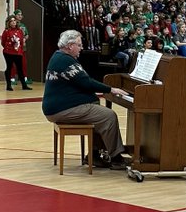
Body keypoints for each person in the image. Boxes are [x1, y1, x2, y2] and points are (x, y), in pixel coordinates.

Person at [42, 30, 131, 169]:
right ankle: (116, 158)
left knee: (96, 108)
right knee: (109, 116)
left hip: (57, 107)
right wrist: (111, 89)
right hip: (59, 110)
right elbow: (86, 82)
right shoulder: (65, 61)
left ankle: (94, 155)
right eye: (79, 44)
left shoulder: (59, 56)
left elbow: (82, 83)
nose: (81, 48)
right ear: (70, 46)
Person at [1, 16, 30, 91]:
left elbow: (21, 41)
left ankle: (24, 85)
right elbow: (3, 42)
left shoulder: (19, 31)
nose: (14, 22)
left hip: (18, 52)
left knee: (20, 68)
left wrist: (19, 49)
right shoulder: (6, 31)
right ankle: (9, 85)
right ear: (8, 23)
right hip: (8, 52)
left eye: (14, 21)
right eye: (11, 21)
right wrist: (9, 47)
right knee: (9, 67)